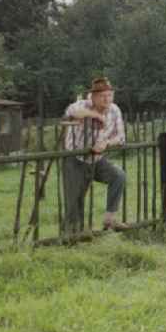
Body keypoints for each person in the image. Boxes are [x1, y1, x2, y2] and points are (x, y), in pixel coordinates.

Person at [63, 77, 126, 230]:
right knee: (75, 199)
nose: (107, 99)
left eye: (110, 95)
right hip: (75, 159)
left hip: (97, 159)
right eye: (102, 95)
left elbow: (121, 137)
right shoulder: (83, 104)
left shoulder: (114, 110)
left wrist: (106, 143)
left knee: (118, 176)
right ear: (93, 96)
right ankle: (73, 234)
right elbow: (71, 112)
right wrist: (95, 115)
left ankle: (109, 219)